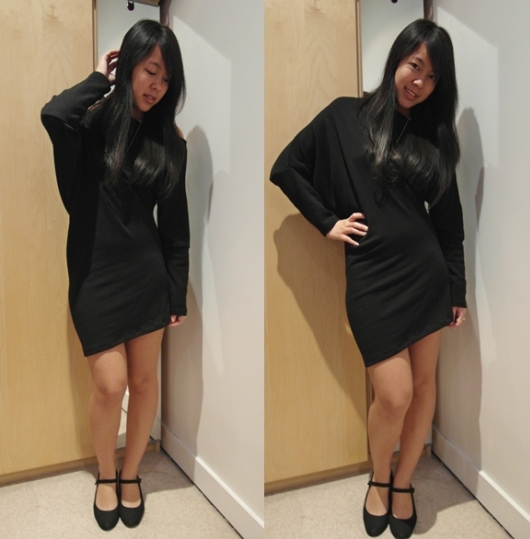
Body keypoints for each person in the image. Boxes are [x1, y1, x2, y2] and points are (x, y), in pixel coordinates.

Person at [270, 19, 466, 539]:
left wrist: (458, 288)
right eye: (415, 66)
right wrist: (326, 222)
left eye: (433, 77)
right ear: (397, 58)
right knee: (395, 395)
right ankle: (379, 477)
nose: (419, 81)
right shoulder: (344, 115)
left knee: (422, 387)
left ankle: (404, 482)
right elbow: (286, 167)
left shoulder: (435, 138)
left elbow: (449, 223)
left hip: (427, 276)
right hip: (372, 277)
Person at [41, 20, 189, 531]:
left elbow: (175, 227)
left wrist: (176, 291)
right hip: (94, 273)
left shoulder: (171, 143)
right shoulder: (92, 124)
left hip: (147, 276)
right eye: (149, 71)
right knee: (111, 385)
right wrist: (98, 80)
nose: (156, 86)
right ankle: (106, 474)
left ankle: (131, 474)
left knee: (144, 382)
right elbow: (53, 113)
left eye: (166, 79)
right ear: (127, 67)